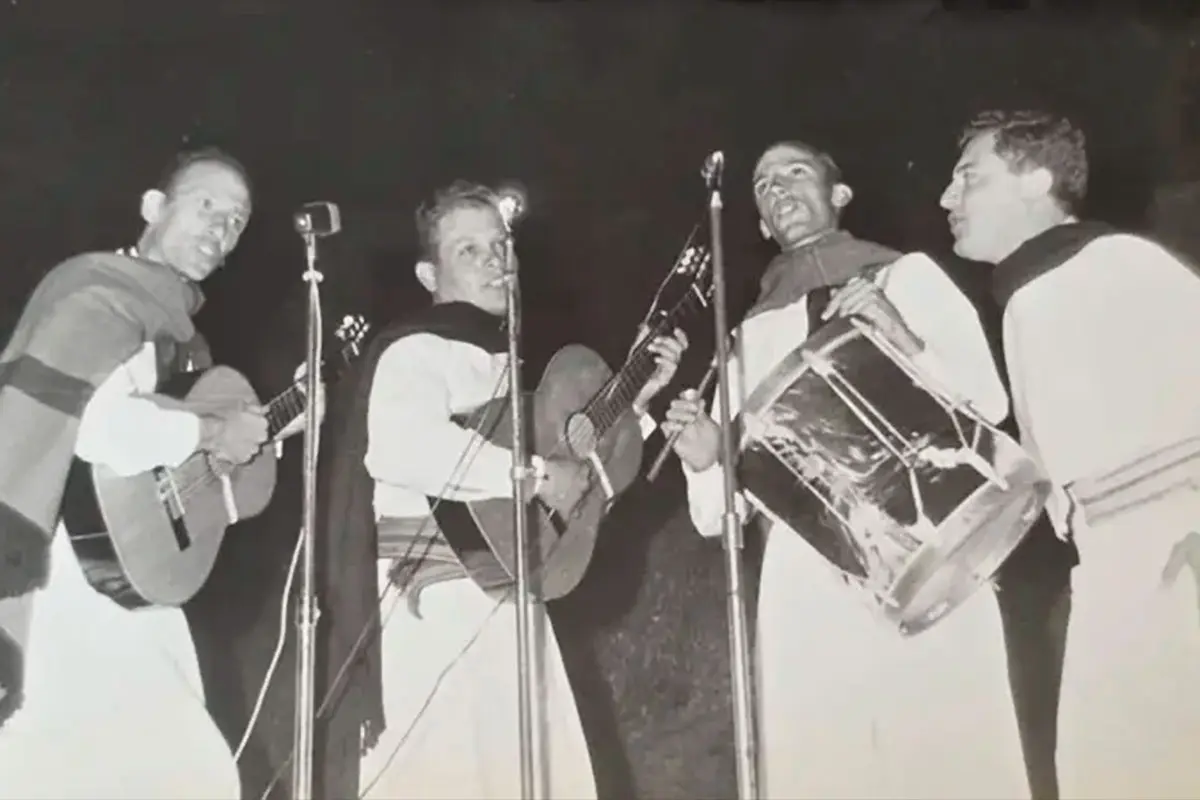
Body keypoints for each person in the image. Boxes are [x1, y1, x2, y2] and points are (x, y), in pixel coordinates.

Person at [660, 141, 1028, 798]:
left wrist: (904, 336)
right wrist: (706, 460)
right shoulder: (743, 335)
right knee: (823, 764)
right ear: (763, 225)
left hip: (928, 544)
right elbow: (719, 517)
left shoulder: (906, 277)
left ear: (839, 194)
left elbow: (990, 402)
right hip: (805, 576)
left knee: (953, 752)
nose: (778, 187)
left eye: (796, 172)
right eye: (764, 185)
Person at [315, 180, 688, 800]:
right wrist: (535, 475)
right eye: (469, 250)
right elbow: (401, 448)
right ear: (427, 274)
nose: (494, 261)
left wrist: (639, 400)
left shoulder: (499, 359)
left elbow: (581, 480)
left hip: (503, 597)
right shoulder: (415, 349)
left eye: (500, 246)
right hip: (438, 608)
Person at [0, 147, 313, 799]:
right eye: (207, 206)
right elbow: (98, 430)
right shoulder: (93, 296)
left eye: (236, 221)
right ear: (154, 207)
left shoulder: (182, 337)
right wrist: (209, 430)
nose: (221, 228)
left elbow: (179, 458)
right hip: (58, 580)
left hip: (128, 575)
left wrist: (268, 431)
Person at [941, 109, 1200, 800]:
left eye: (970, 177)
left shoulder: (1121, 263)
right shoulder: (1032, 295)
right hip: (1111, 573)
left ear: (1038, 181)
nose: (946, 199)